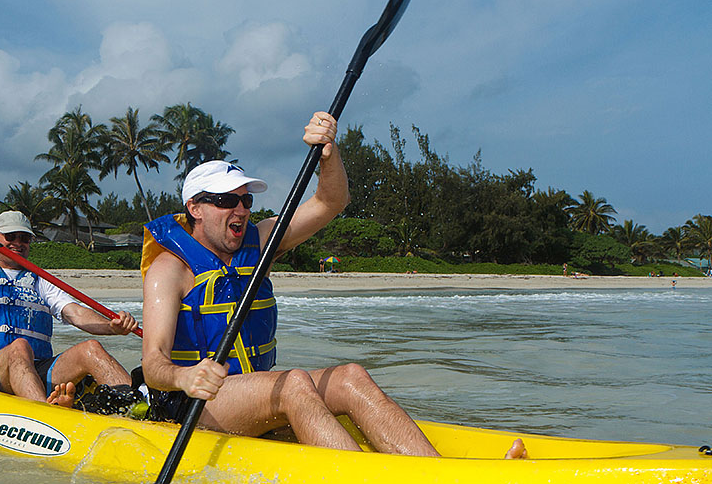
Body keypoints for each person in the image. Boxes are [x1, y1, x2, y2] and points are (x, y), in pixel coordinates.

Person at [140, 112, 526, 459]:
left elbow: (331, 201)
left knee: (350, 376)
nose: (240, 210)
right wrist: (185, 376)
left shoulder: (261, 241)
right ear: (195, 208)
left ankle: (433, 473)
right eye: (227, 201)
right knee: (293, 384)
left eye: (245, 201)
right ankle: (370, 482)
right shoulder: (169, 270)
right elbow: (153, 364)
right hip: (192, 404)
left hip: (250, 392)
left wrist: (329, 152)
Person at [0, 210, 139, 407]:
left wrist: (112, 326)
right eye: (10, 237)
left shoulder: (40, 282)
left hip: (36, 368)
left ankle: (136, 406)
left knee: (91, 348)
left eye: (24, 238)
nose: (18, 243)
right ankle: (45, 412)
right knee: (19, 347)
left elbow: (77, 313)